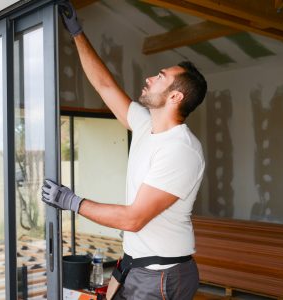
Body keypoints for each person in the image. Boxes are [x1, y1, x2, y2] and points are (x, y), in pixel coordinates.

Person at [41, 1, 207, 299]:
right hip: (136, 266)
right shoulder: (146, 126)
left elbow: (133, 219)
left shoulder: (181, 150)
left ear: (175, 96)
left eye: (160, 77)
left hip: (161, 276)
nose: (149, 78)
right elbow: (105, 86)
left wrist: (72, 201)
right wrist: (77, 33)